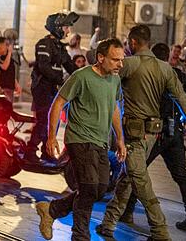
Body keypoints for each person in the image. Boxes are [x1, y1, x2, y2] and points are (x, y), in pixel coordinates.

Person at [97, 25, 186, 241]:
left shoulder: (129, 64)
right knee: (129, 177)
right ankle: (108, 222)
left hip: (134, 134)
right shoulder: (165, 68)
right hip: (151, 135)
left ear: (134, 42)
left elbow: (106, 80)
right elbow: (181, 97)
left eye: (128, 43)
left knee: (140, 180)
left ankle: (160, 229)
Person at [118, 43, 186, 232]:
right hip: (176, 134)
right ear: (167, 57)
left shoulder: (150, 74)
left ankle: (128, 211)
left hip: (156, 132)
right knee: (181, 175)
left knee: (137, 170)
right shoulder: (175, 74)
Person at [35, 38, 127, 241]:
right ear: (101, 58)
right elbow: (58, 104)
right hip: (79, 139)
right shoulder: (81, 77)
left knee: (100, 188)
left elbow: (113, 108)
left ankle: (52, 209)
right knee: (88, 186)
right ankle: (80, 236)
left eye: (121, 60)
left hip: (101, 141)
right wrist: (52, 137)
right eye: (115, 60)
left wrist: (120, 139)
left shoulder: (115, 79)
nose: (120, 64)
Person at [27, 12, 79, 163]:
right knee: (44, 120)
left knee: (53, 121)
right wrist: (61, 79)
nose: (68, 31)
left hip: (53, 88)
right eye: (66, 27)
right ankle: (30, 152)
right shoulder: (44, 44)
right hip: (42, 88)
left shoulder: (59, 47)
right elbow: (44, 67)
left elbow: (70, 65)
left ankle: (47, 152)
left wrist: (86, 75)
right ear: (57, 27)